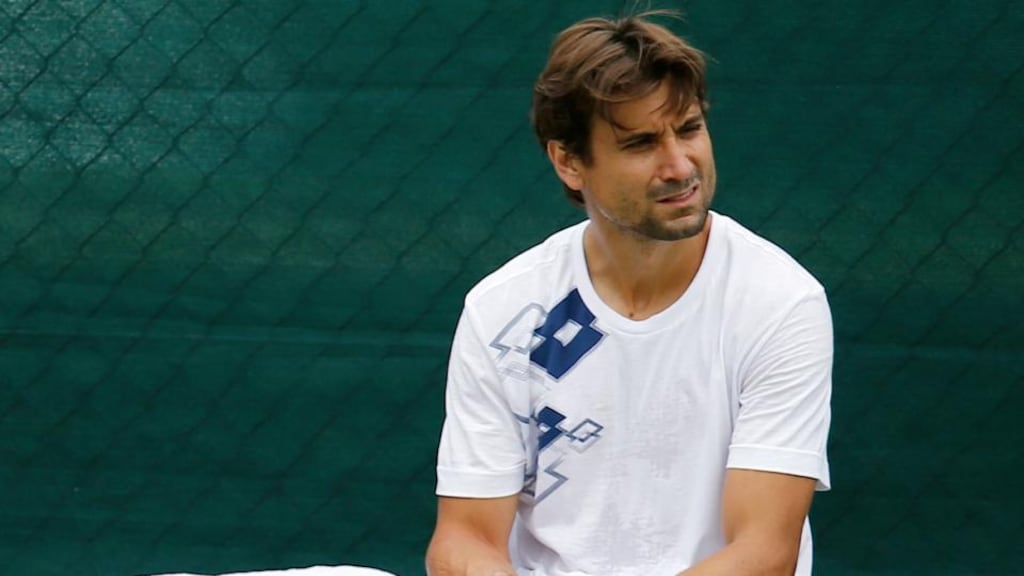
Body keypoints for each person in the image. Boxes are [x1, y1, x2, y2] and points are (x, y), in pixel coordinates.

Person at [426, 10, 832, 576]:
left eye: (689, 128)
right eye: (641, 143)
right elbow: (464, 540)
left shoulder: (780, 303)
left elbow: (763, 554)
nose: (679, 165)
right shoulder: (502, 310)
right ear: (569, 162)